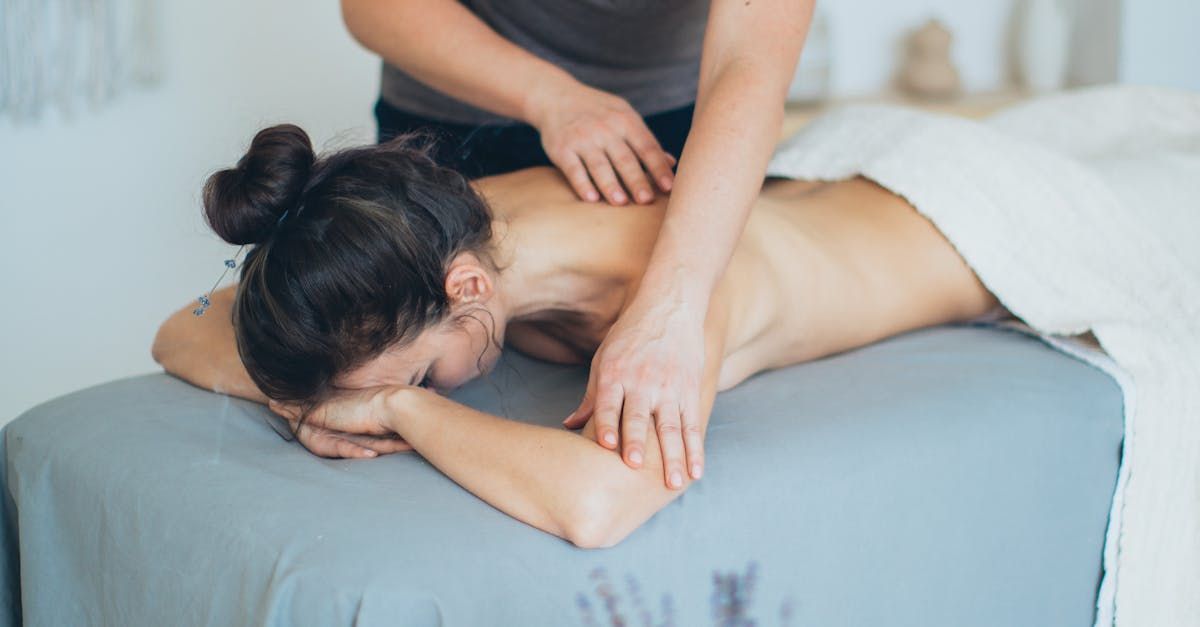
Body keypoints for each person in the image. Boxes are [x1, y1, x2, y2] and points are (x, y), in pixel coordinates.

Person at [152, 123, 1000, 547]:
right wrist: (312, 400)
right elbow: (177, 334)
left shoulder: (673, 294)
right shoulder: (455, 227)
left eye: (413, 374)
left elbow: (600, 505)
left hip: (978, 231)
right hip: (833, 162)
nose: (402, 391)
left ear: (469, 291)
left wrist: (398, 413)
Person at [341, 0, 816, 487]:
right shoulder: (451, 256)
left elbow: (748, 65)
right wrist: (549, 96)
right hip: (452, 99)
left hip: (654, 136)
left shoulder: (646, 258)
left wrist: (671, 310)